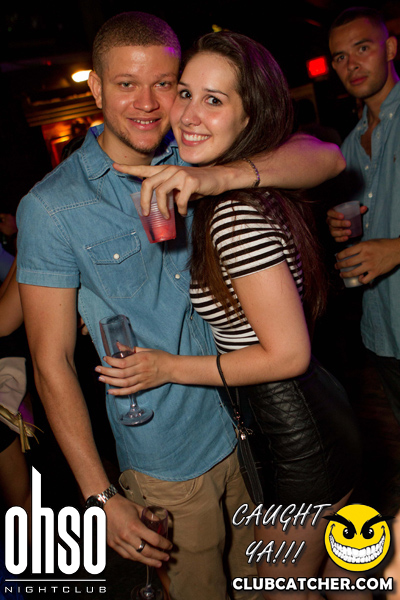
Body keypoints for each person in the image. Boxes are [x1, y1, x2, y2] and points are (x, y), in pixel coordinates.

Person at [16, 12, 345, 600]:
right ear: (96, 88)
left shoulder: (196, 146)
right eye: (126, 84)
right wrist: (99, 496)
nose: (148, 103)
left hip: (250, 435)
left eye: (164, 84)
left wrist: (220, 178)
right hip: (168, 458)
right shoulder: (53, 207)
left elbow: (326, 156)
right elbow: (50, 362)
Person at [102, 31, 362, 598]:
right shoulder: (240, 183)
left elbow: (287, 355)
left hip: (297, 440)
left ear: (250, 116)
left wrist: (167, 367)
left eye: (214, 100)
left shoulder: (232, 214)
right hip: (308, 423)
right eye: (186, 93)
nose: (189, 114)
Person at [326, 7, 400, 429]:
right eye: (340, 56)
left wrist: (396, 249)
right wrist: (338, 226)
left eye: (362, 48)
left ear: (389, 49)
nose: (351, 64)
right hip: (383, 330)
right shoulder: (350, 146)